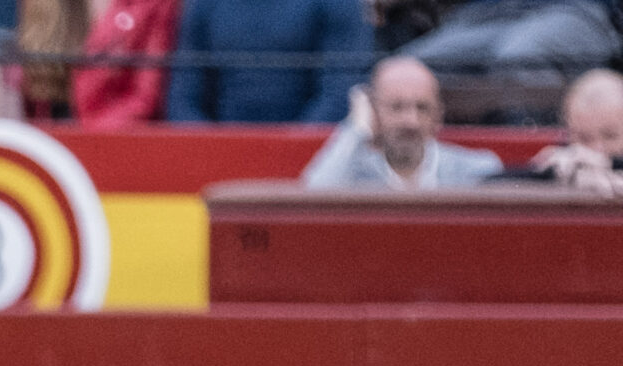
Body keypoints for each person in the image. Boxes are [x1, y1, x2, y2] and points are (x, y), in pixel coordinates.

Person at [301, 53, 503, 186]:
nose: (411, 122)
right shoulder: (351, 170)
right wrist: (356, 129)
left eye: (422, 108)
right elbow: (314, 193)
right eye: (397, 107)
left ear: (438, 114)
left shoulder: (474, 169)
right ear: (373, 111)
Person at [402, 0, 621, 122]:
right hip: (490, 14)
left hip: (573, 10)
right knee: (406, 65)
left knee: (517, 57)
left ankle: (545, 142)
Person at [166, 0, 370, 123]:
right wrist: (208, 145)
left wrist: (289, 147)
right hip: (216, 150)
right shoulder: (203, 5)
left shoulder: (338, 4)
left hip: (314, 160)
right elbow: (183, 96)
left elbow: (341, 92)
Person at [490, 63, 623, 191]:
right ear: (568, 132)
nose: (596, 150)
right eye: (584, 138)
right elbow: (486, 184)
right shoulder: (563, 161)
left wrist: (609, 166)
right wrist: (547, 173)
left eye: (610, 136)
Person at [70, 0, 179, 126]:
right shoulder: (114, 8)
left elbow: (146, 94)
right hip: (80, 124)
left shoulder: (157, 8)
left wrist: (96, 129)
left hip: (122, 130)